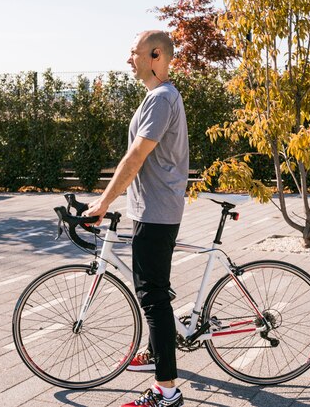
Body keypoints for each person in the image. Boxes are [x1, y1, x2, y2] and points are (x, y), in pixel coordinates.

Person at [85, 30, 188, 407]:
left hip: (157, 212)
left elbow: (135, 157)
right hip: (153, 208)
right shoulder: (158, 97)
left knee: (153, 297)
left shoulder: (161, 99)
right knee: (153, 289)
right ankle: (152, 354)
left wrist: (103, 202)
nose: (129, 59)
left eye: (135, 53)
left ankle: (167, 392)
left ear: (155, 55)